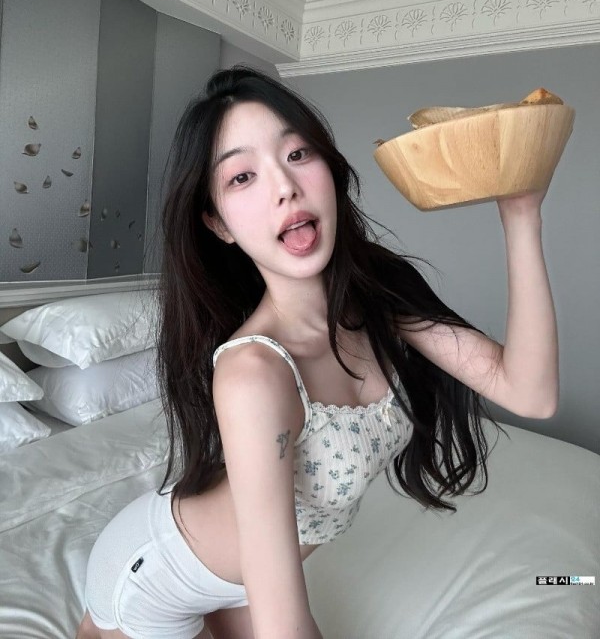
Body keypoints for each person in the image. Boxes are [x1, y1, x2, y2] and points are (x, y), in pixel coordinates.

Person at [76, 66, 559, 639]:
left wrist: (521, 212)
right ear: (219, 224)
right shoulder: (253, 373)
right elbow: (283, 624)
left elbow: (529, 393)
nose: (285, 186)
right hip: (152, 578)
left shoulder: (378, 297)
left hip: (239, 581)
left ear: (330, 169)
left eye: (298, 153)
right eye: (242, 176)